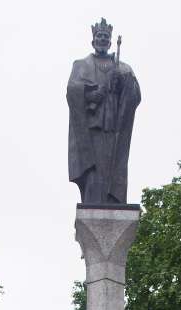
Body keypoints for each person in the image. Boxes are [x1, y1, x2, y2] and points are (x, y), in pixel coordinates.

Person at [66, 17, 142, 205]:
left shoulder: (123, 67)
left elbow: (135, 94)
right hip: (91, 131)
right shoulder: (81, 65)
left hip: (114, 130)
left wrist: (124, 80)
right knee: (93, 176)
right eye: (99, 36)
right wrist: (92, 94)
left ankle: (113, 203)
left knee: (113, 170)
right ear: (93, 40)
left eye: (105, 37)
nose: (102, 39)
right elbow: (72, 90)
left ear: (110, 42)